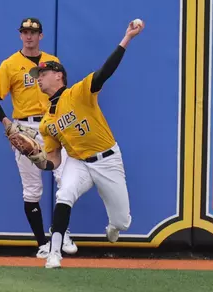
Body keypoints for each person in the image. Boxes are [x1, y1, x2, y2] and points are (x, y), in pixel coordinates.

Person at [26, 19, 145, 268]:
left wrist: (127, 39)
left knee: (122, 222)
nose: (39, 78)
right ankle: (54, 253)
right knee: (64, 193)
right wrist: (38, 159)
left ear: (58, 75)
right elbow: (54, 160)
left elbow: (105, 72)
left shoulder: (78, 93)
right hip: (79, 162)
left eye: (43, 73)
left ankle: (114, 226)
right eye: (38, 75)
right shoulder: (47, 122)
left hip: (107, 159)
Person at [0, 17, 77, 258]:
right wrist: (9, 126)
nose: (29, 36)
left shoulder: (53, 62)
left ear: (41, 36)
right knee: (32, 189)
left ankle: (62, 232)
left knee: (65, 180)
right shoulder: (10, 64)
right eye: (25, 32)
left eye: (33, 32)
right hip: (25, 129)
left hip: (52, 126)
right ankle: (42, 244)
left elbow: (64, 96)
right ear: (20, 35)